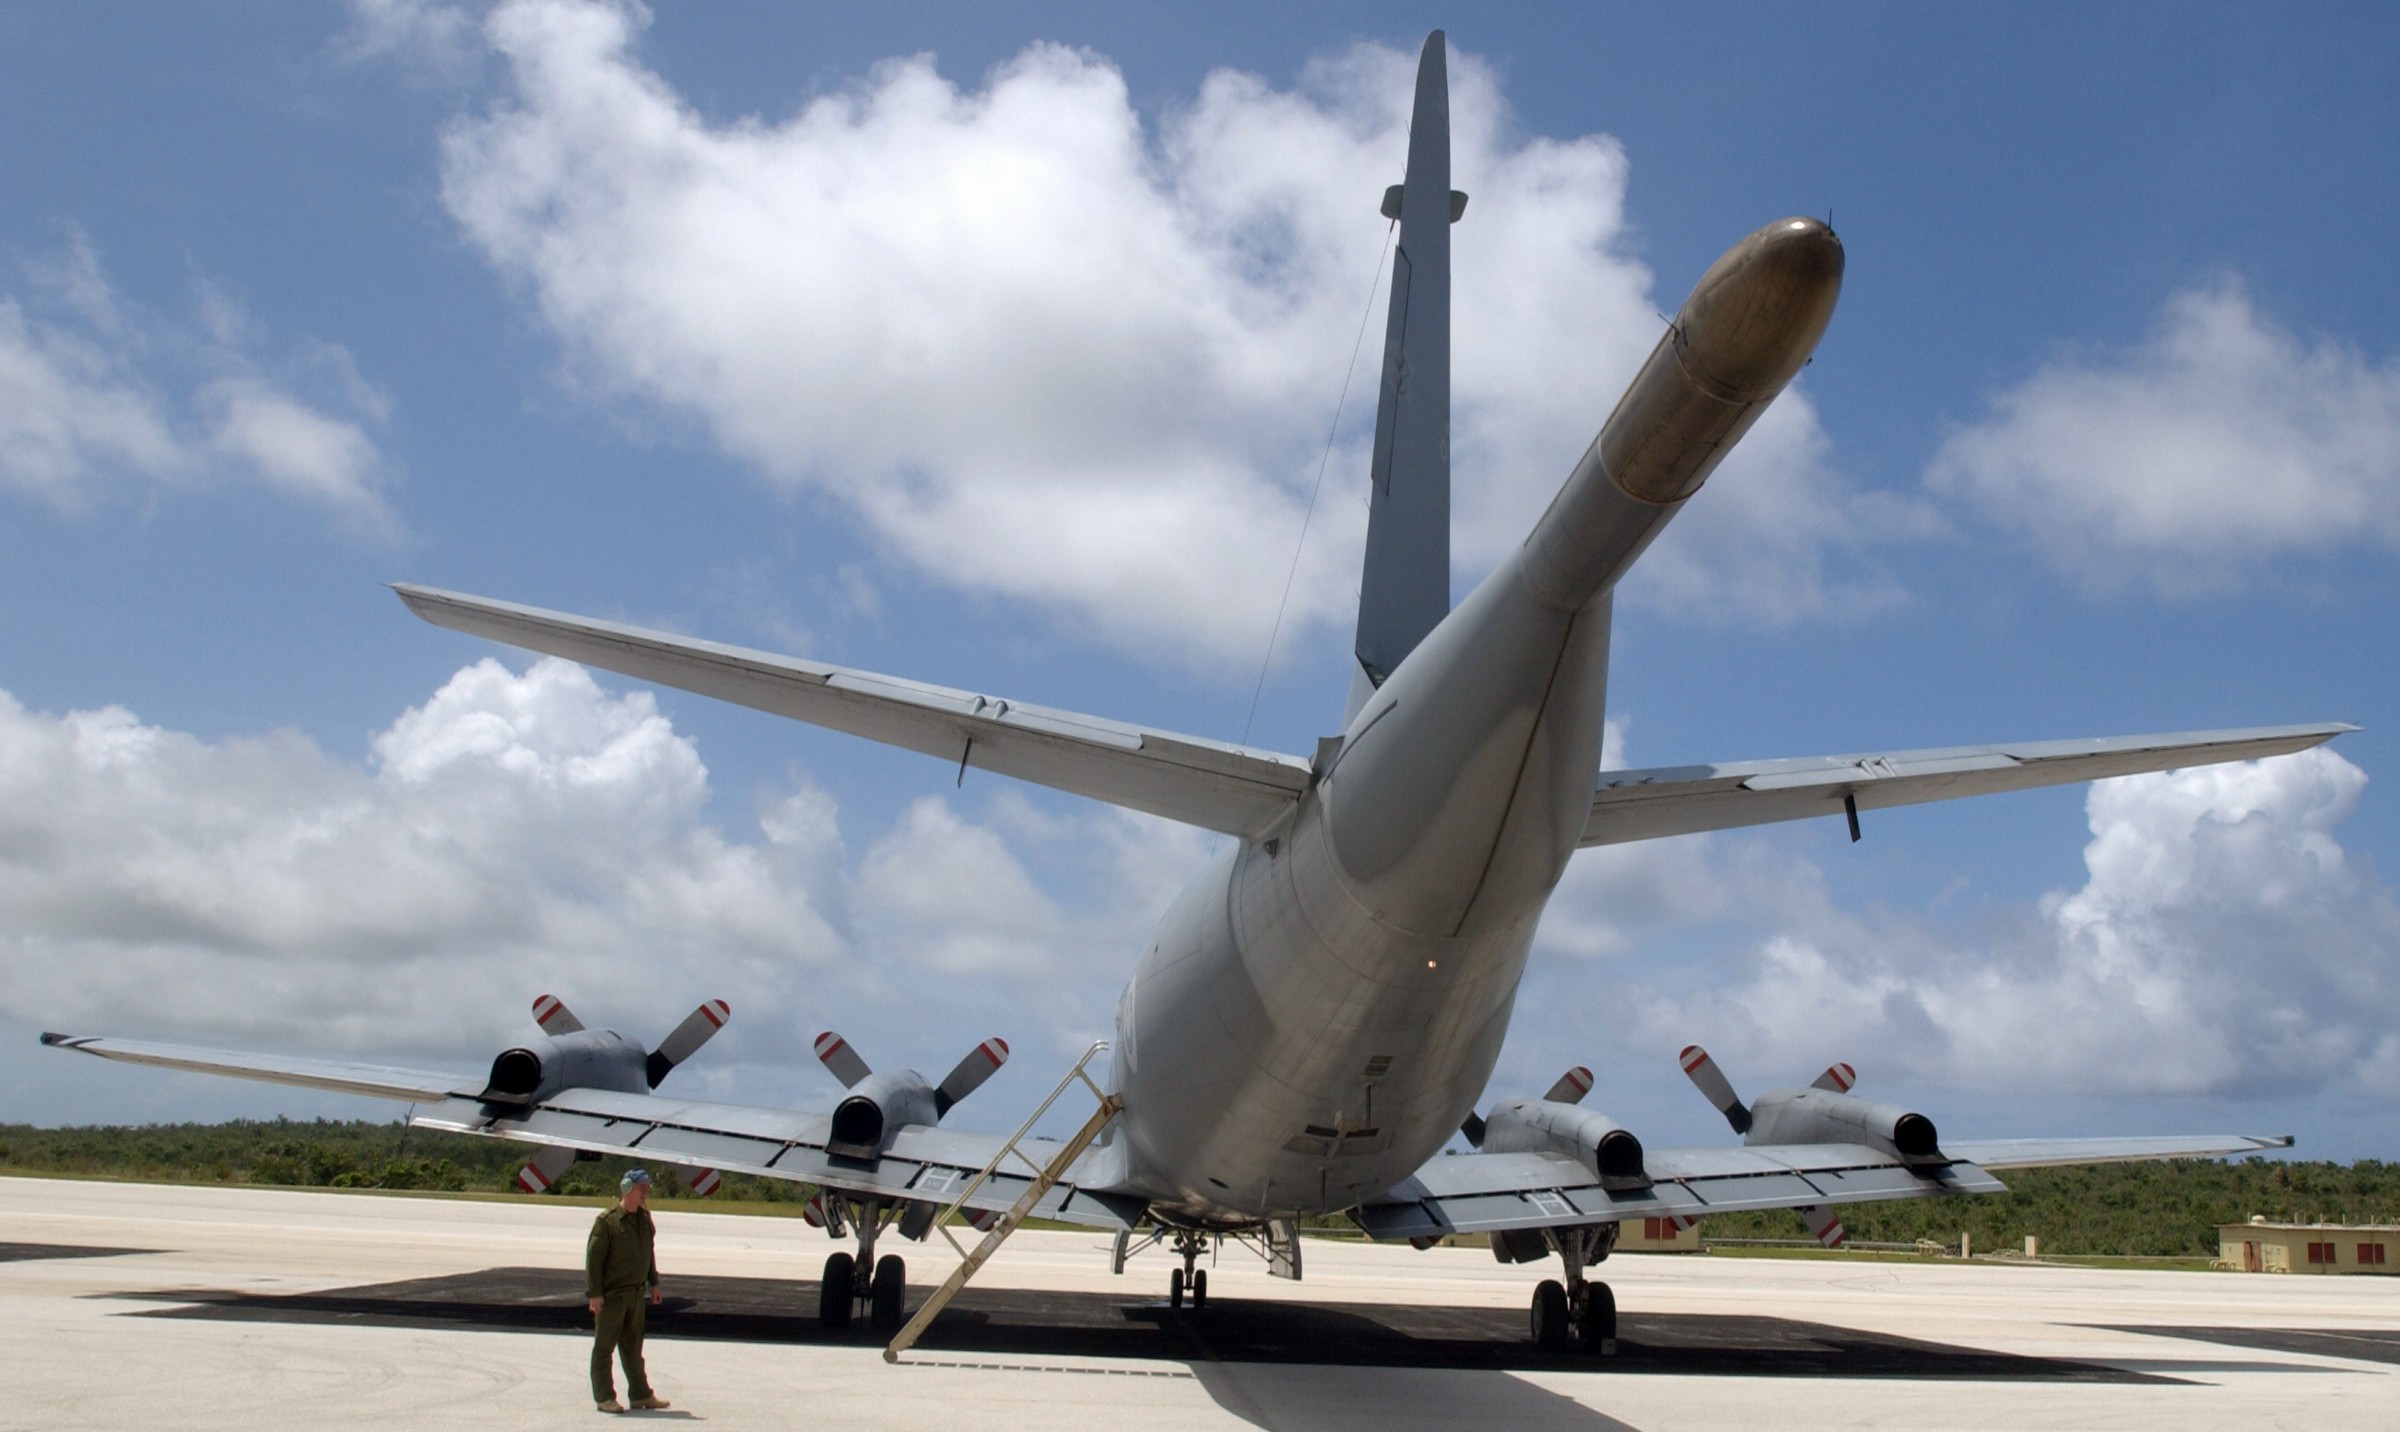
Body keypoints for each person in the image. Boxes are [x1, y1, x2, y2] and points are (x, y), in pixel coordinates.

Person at [587, 1168, 669, 1414]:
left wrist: (654, 1283)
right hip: (613, 1296)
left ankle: (640, 1394)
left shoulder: (643, 1219)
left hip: (636, 1294)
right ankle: (604, 1397)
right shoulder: (607, 1222)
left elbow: (648, 1253)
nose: (646, 1192)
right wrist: (594, 1293)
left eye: (646, 1187)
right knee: (604, 1347)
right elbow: (593, 1259)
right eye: (641, 1187)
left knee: (634, 1348)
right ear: (627, 1188)